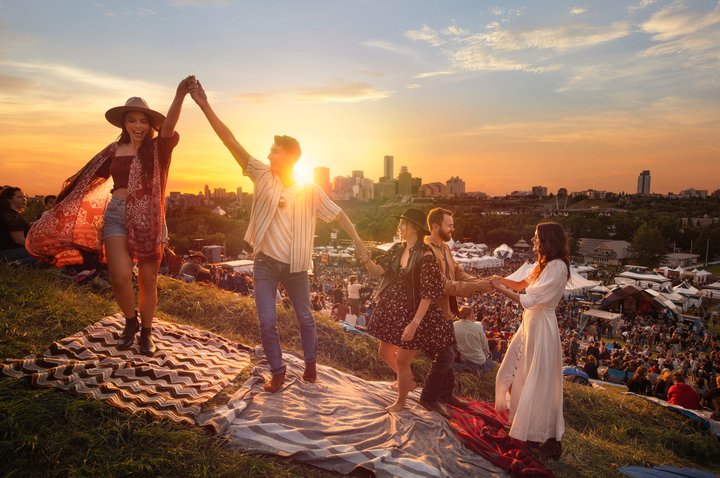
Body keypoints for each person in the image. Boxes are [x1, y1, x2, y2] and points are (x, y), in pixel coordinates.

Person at [189, 79, 367, 393]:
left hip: (297, 268)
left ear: (289, 157)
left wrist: (358, 242)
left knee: (305, 318)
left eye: (274, 152)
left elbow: (339, 214)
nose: (268, 155)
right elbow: (229, 140)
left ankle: (310, 364)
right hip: (266, 264)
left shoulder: (310, 190)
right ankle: (278, 369)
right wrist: (205, 105)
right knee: (266, 321)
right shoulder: (261, 174)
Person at [26, 77, 194, 355]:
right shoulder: (114, 151)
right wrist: (56, 209)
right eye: (132, 120)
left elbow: (170, 126)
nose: (138, 126)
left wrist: (179, 95)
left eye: (142, 120)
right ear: (124, 123)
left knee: (148, 280)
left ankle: (147, 333)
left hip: (150, 218)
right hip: (116, 214)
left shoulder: (158, 149)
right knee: (119, 276)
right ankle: (131, 322)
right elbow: (85, 180)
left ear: (150, 124)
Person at [359, 208, 453, 413]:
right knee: (384, 352)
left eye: (404, 223)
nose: (400, 226)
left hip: (414, 312)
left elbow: (428, 294)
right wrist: (366, 260)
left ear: (414, 228)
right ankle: (407, 382)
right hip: (394, 309)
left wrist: (414, 324)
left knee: (402, 360)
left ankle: (401, 402)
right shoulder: (397, 248)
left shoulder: (426, 255)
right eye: (400, 222)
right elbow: (378, 271)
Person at [491, 222, 569, 461]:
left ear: (548, 240)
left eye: (537, 238)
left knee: (539, 381)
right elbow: (520, 284)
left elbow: (526, 298)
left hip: (542, 327)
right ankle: (522, 423)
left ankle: (540, 434)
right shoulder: (542, 264)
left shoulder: (557, 268)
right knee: (517, 372)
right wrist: (500, 279)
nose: (534, 241)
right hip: (530, 325)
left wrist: (499, 288)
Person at [416, 207, 491, 417]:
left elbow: (457, 271)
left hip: (445, 311)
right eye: (449, 225)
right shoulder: (426, 251)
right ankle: (428, 398)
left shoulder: (444, 248)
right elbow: (444, 285)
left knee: (448, 353)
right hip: (432, 311)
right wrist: (476, 287)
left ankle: (445, 394)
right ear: (435, 226)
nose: (453, 228)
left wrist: (477, 282)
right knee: (445, 356)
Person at [0, 187, 37, 265]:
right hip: (8, 252)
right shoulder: (11, 215)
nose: (24, 199)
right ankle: (17, 264)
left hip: (7, 251)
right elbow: (19, 240)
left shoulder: (5, 213)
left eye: (24, 197)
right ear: (9, 199)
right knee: (47, 256)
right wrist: (36, 247)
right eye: (19, 197)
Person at [454, 306, 492, 372]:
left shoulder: (454, 325)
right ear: (471, 315)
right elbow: (485, 347)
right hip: (478, 360)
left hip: (462, 358)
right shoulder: (478, 327)